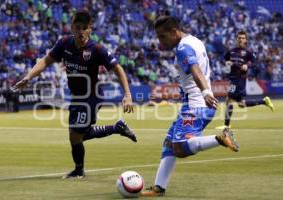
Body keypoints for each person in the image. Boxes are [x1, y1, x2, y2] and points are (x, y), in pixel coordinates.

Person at [13, 10, 137, 179]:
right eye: (77, 28)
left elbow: (118, 68)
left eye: (84, 28)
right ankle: (116, 128)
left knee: (75, 136)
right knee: (78, 135)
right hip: (76, 96)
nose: (81, 32)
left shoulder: (97, 49)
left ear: (90, 29)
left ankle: (79, 171)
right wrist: (28, 77)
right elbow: (45, 61)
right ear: (71, 28)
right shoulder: (64, 43)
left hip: (92, 97)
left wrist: (127, 94)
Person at [141, 16, 239, 197]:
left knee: (179, 148)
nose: (160, 42)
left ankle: (220, 139)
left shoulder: (182, 48)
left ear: (173, 32)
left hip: (196, 104)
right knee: (169, 144)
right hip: (197, 103)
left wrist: (205, 92)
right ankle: (158, 188)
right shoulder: (194, 40)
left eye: (162, 37)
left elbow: (196, 70)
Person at [215, 30, 274, 130]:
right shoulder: (231, 51)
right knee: (241, 104)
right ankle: (263, 101)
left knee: (229, 100)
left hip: (240, 79)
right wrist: (227, 63)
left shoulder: (248, 52)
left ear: (245, 40)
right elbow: (224, 59)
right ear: (236, 39)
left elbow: (255, 63)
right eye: (239, 38)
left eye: (243, 38)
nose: (241, 40)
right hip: (233, 78)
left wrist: (247, 65)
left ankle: (226, 125)